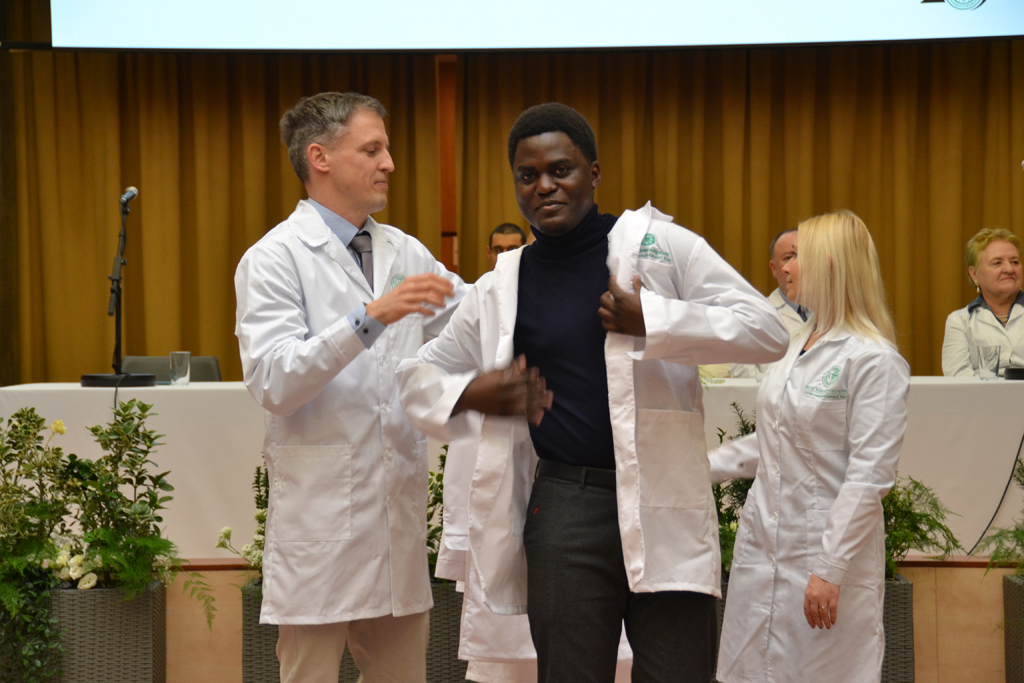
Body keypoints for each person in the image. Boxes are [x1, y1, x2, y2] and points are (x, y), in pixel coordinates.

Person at [397, 102, 789, 682]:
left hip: (663, 496)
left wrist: (655, 320)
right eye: (528, 176)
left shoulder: (660, 246)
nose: (544, 186)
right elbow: (415, 377)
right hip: (566, 507)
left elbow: (768, 331)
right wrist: (473, 394)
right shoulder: (503, 283)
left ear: (595, 172)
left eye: (561, 170)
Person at [233, 91, 467, 683]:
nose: (390, 163)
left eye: (386, 149)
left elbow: (476, 320)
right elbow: (274, 381)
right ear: (320, 158)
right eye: (372, 149)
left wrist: (543, 277)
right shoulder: (274, 257)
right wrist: (370, 318)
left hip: (395, 526)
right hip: (321, 529)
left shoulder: (405, 251)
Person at [709, 210, 910, 683]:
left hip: (823, 559)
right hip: (763, 552)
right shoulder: (790, 345)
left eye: (798, 256)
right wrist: (703, 466)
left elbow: (870, 475)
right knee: (748, 671)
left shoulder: (873, 359)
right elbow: (776, 441)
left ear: (831, 264)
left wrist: (830, 567)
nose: (785, 267)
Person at [941, 228, 1023, 377]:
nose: (1009, 269)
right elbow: (958, 378)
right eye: (997, 263)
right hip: (980, 392)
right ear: (974, 274)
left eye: (1015, 262)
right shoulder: (960, 321)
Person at [729, 227, 808, 379]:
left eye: (801, 256)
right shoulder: (753, 315)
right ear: (774, 268)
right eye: (788, 258)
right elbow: (741, 374)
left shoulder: (832, 311)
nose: (792, 266)